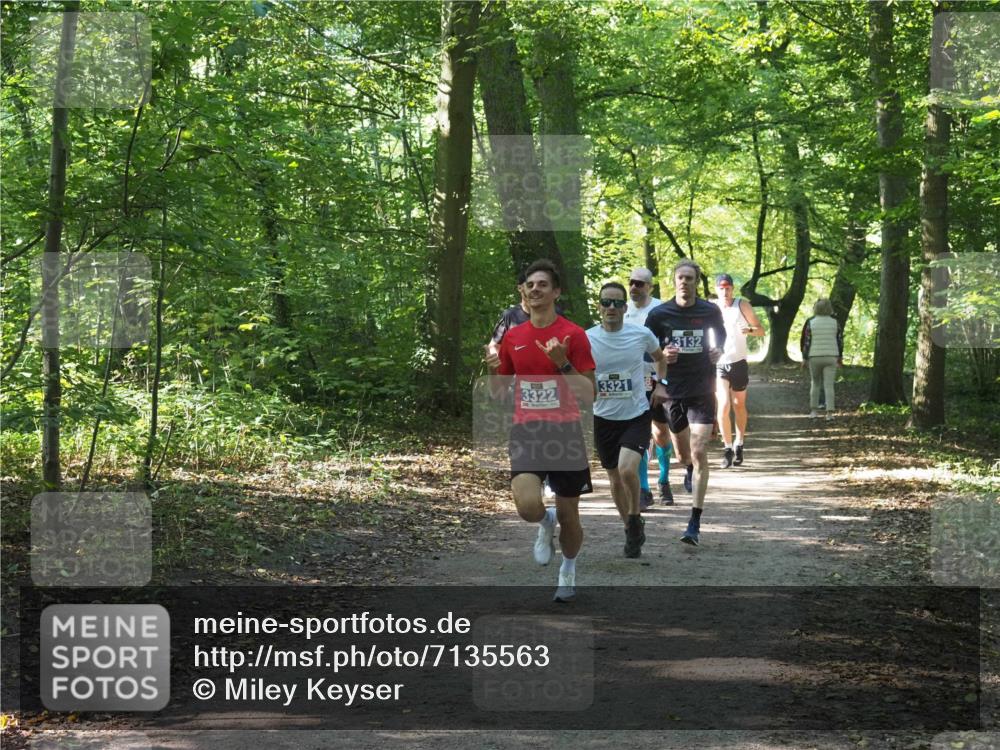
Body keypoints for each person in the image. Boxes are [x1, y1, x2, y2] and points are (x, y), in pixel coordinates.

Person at [485, 259, 596, 602]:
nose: (535, 289)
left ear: (556, 292)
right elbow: (498, 394)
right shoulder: (513, 337)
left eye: (543, 284)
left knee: (570, 514)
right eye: (530, 285)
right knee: (527, 506)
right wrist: (493, 371)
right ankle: (544, 522)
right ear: (523, 291)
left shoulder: (574, 335)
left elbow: (589, 393)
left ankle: (568, 571)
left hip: (565, 434)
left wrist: (563, 362)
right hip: (527, 431)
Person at [645, 260, 725, 546]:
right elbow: (645, 351)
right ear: (674, 280)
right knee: (683, 456)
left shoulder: (709, 310)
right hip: (673, 391)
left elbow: (721, 336)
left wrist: (718, 350)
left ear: (696, 281)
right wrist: (661, 357)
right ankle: (688, 468)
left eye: (690, 278)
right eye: (680, 277)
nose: (684, 282)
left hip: (703, 388)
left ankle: (694, 522)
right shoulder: (659, 314)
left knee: (700, 449)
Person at [586, 282, 667, 558]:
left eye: (618, 303)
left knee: (627, 469)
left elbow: (660, 358)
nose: (611, 308)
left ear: (625, 307)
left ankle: (634, 516)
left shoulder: (641, 334)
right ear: (599, 306)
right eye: (606, 302)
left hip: (636, 414)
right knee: (613, 478)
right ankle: (631, 530)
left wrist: (661, 383)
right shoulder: (586, 338)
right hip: (603, 416)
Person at [623, 267, 673, 508]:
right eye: (631, 282)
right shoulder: (622, 310)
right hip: (633, 379)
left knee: (661, 431)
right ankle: (643, 488)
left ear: (650, 287)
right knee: (639, 432)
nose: (634, 287)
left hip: (658, 377)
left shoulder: (661, 309)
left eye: (640, 284)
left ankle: (664, 480)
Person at [712, 273, 765, 468]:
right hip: (718, 362)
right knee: (723, 405)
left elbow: (760, 330)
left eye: (728, 288)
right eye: (721, 288)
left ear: (732, 288)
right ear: (716, 289)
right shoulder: (711, 308)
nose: (725, 291)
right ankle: (726, 448)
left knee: (738, 404)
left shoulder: (742, 305)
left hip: (739, 361)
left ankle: (739, 443)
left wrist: (749, 330)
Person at [799, 298, 843, 421]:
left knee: (815, 383)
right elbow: (840, 341)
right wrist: (840, 357)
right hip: (831, 356)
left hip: (814, 356)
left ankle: (814, 411)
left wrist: (804, 358)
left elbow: (807, 342)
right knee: (829, 385)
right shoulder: (835, 322)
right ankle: (829, 414)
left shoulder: (811, 322)